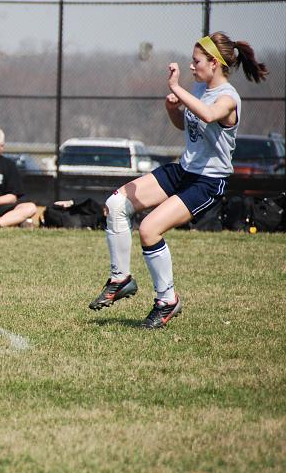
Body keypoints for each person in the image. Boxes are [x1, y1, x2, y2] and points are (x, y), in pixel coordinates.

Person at [89, 32, 268, 329]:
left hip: (207, 181)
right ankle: (120, 279)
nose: (191, 65)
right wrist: (173, 109)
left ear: (214, 63)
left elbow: (210, 115)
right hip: (183, 169)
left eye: (196, 61)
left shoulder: (228, 98)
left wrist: (176, 88)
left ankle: (167, 300)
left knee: (149, 230)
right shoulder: (198, 88)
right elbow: (187, 127)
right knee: (116, 203)